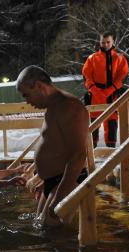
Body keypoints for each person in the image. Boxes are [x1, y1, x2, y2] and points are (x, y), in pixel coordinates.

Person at [16, 65, 89, 226]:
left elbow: (78, 155)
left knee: (54, 237)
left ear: (39, 86)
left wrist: (59, 195)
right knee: (41, 229)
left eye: (26, 95)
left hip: (66, 181)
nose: (27, 101)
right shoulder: (53, 107)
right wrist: (43, 178)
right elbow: (55, 145)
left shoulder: (69, 107)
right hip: (54, 181)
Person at [82, 31, 129, 148]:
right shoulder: (92, 58)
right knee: (93, 124)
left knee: (112, 123)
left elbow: (123, 76)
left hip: (112, 96)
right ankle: (92, 154)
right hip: (94, 96)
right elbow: (86, 76)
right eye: (103, 42)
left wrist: (111, 89)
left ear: (113, 42)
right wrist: (95, 90)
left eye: (108, 42)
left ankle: (111, 154)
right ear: (100, 42)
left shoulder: (120, 58)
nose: (106, 44)